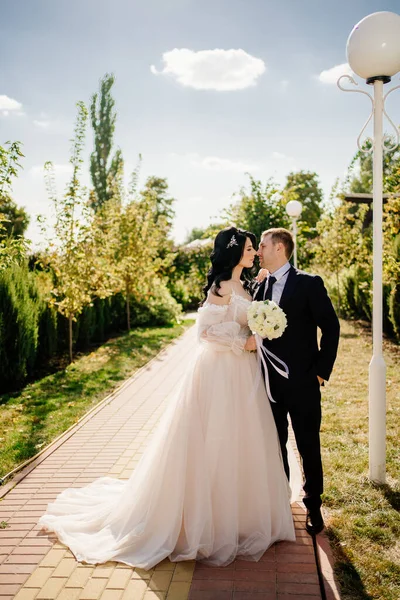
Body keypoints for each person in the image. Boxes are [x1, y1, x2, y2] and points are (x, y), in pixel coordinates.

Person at [38, 226, 297, 570]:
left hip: (244, 374)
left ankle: (244, 517)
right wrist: (242, 342)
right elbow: (204, 333)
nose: (254, 254)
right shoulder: (219, 288)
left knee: (243, 440)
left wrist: (259, 331)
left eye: (255, 249)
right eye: (250, 249)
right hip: (219, 372)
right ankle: (208, 521)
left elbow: (248, 319)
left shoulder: (248, 286)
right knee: (213, 440)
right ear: (236, 253)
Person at [252, 227, 340, 534]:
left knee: (307, 444)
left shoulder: (308, 283)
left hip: (303, 382)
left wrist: (320, 371)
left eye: (262, 246)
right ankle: (280, 501)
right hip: (268, 384)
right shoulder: (260, 285)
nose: (258, 251)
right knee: (275, 444)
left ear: (279, 248)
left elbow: (331, 327)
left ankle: (313, 503)